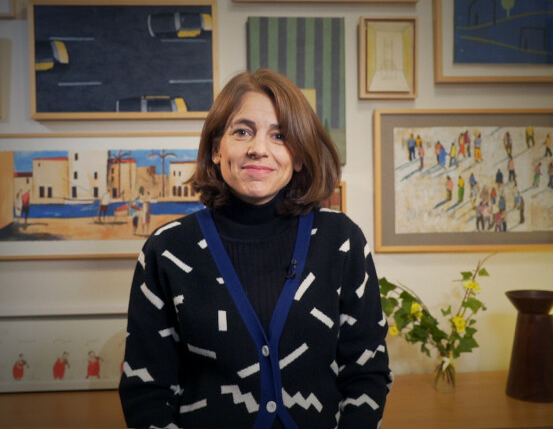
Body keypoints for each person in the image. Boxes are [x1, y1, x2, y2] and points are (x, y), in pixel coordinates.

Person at [119, 69, 392, 428]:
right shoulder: (167, 250)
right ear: (217, 150)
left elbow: (367, 373)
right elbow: (146, 392)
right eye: (242, 132)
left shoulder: (340, 241)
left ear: (298, 156)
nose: (258, 149)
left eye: (279, 136)